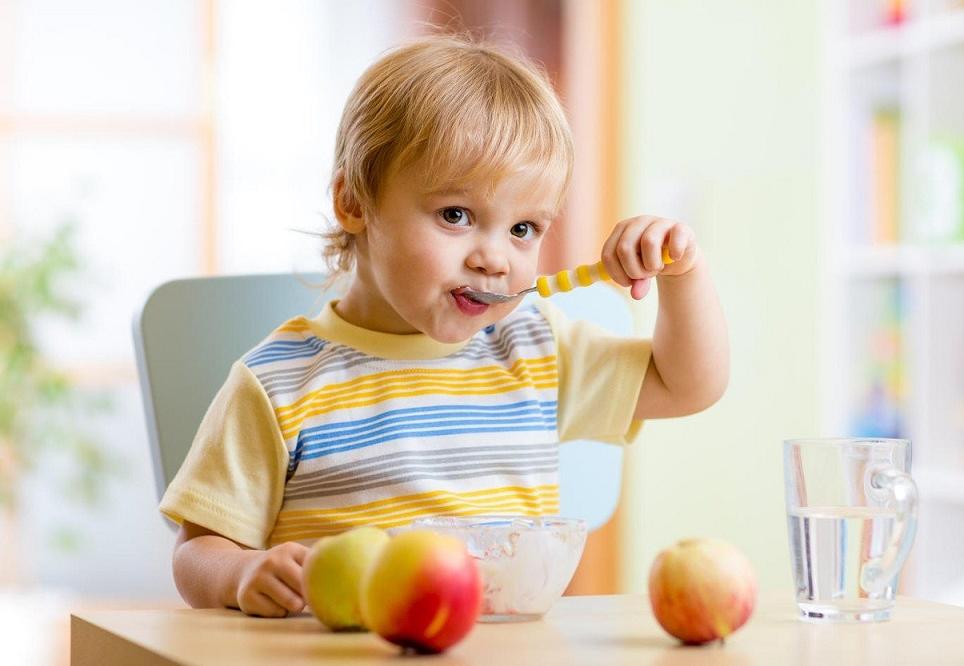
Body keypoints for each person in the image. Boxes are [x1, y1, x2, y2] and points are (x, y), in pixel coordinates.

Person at [160, 35, 728, 618]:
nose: (496, 258)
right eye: (456, 215)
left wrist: (683, 276)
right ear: (353, 202)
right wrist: (239, 574)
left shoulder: (534, 346)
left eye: (524, 229)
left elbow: (688, 384)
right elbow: (196, 551)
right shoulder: (278, 382)